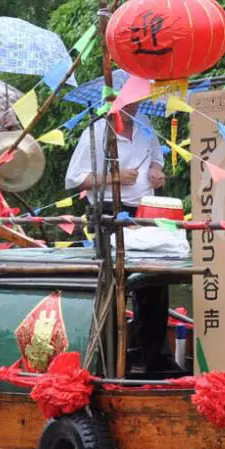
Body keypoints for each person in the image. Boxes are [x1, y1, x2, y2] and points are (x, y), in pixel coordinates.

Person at [65, 102, 174, 375]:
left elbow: (156, 156)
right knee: (113, 284)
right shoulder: (99, 130)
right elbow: (75, 179)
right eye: (130, 104)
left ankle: (155, 359)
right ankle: (108, 358)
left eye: (138, 103)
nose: (135, 108)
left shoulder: (145, 125)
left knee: (153, 281)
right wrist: (114, 177)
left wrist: (156, 171)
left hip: (146, 210)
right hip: (109, 212)